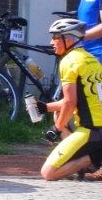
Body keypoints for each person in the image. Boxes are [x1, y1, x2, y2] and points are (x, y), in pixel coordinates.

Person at [36, 19, 102, 181]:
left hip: (91, 130)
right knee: (58, 113)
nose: (52, 42)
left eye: (56, 37)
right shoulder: (91, 59)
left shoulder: (69, 61)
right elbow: (77, 100)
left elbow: (70, 103)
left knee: (48, 173)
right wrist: (44, 107)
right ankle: (86, 157)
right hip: (97, 126)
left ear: (69, 40)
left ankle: (93, 158)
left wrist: (56, 129)